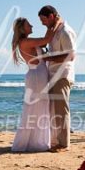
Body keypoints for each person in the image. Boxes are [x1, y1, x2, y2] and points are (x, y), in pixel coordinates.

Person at [10, 17, 56, 152]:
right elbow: (47, 39)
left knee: (39, 108)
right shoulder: (26, 41)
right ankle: (31, 142)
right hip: (36, 76)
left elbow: (44, 43)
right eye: (28, 25)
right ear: (23, 29)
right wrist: (54, 22)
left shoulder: (29, 41)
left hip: (38, 75)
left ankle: (35, 142)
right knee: (35, 108)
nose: (32, 26)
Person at [38, 5, 76, 152]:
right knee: (55, 110)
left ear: (52, 16)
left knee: (62, 110)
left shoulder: (65, 31)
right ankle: (56, 141)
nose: (42, 23)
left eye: (44, 20)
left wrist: (48, 58)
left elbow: (71, 56)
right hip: (54, 74)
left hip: (62, 75)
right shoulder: (55, 30)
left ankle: (64, 144)